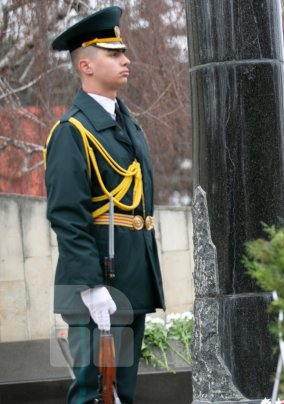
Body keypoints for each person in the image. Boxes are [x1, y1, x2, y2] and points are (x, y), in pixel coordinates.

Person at [44, 6, 164, 403]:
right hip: (96, 283)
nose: (126, 59)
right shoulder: (72, 132)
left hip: (130, 277)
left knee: (121, 392)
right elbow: (68, 217)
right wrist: (91, 286)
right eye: (113, 54)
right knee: (93, 392)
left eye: (123, 52)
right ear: (86, 65)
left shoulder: (129, 125)